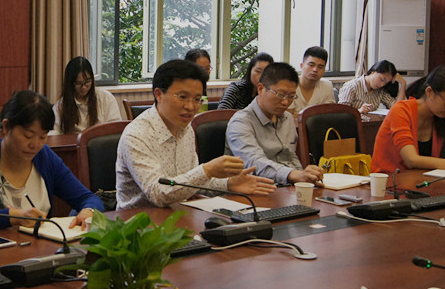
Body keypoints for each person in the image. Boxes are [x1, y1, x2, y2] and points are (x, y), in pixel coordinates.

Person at [115, 59, 276, 210]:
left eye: (197, 99)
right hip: (139, 223)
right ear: (158, 94)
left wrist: (228, 184)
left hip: (180, 215)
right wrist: (207, 170)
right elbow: (158, 193)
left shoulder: (186, 129)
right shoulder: (137, 135)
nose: (191, 107)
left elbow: (191, 183)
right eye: (182, 97)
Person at [0, 90, 103, 231]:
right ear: (7, 127)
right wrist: (11, 217)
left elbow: (89, 198)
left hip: (40, 251)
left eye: (43, 137)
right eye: (28, 136)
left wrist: (88, 211)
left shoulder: (45, 157)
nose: (35, 145)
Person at [371, 65, 445, 174]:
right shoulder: (401, 110)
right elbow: (411, 160)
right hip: (389, 184)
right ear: (429, 91)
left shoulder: (444, 115)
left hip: (420, 182)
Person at [225, 62, 324, 185]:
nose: (286, 102)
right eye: (280, 95)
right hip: (255, 189)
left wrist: (305, 179)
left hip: (287, 188)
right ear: (261, 89)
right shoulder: (240, 122)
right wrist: (293, 175)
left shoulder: (287, 118)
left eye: (291, 96)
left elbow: (291, 157)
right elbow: (254, 163)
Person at [52, 56, 121, 135]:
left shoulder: (106, 98)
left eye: (87, 82)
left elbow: (116, 128)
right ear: (70, 84)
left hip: (100, 142)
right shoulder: (61, 105)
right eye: (78, 83)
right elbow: (54, 132)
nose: (84, 87)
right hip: (74, 142)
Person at [338, 60, 406, 114]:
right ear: (373, 72)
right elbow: (341, 112)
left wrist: (403, 83)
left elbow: (397, 107)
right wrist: (359, 111)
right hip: (352, 125)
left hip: (371, 125)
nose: (382, 84)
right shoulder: (352, 86)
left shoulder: (380, 91)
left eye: (385, 83)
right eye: (382, 79)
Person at [288, 46, 335, 116]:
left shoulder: (327, 86)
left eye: (320, 67)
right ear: (301, 66)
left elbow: (328, 115)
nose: (315, 70)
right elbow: (289, 117)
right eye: (311, 65)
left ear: (324, 70)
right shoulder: (289, 85)